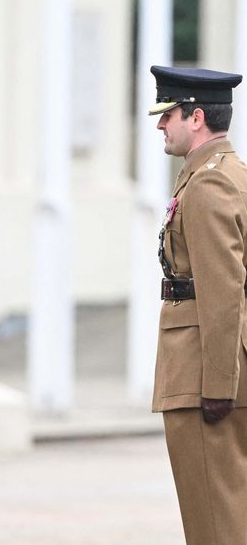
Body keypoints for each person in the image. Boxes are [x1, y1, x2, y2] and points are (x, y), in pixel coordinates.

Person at [150, 65, 247, 544]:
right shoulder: (232, 174)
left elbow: (223, 289)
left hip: (203, 372)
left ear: (197, 117)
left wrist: (218, 386)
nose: (159, 125)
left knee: (214, 522)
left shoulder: (209, 185)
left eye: (168, 114)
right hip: (217, 365)